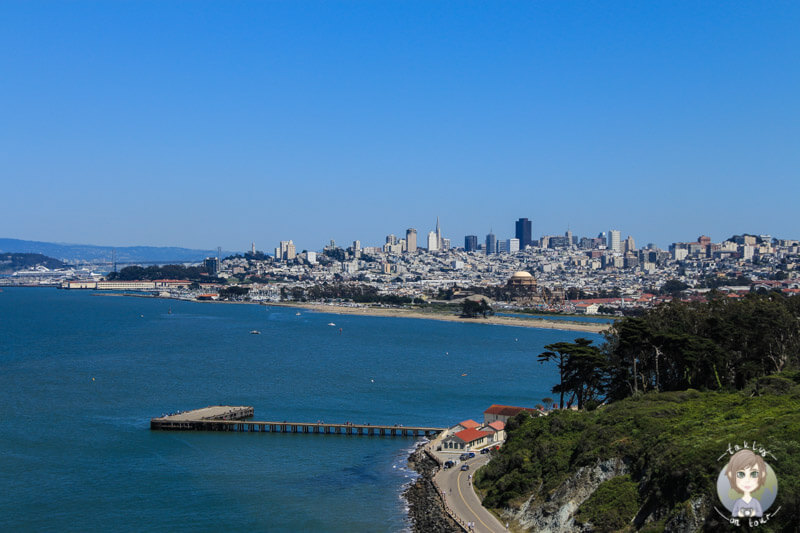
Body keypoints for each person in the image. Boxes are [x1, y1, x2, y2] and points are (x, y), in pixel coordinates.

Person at [725, 449, 767, 517]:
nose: (747, 480)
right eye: (741, 474)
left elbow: (760, 513)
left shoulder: (755, 502)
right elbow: (734, 514)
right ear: (731, 475)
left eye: (754, 474)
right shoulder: (738, 502)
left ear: (762, 474)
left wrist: (753, 513)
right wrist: (739, 514)